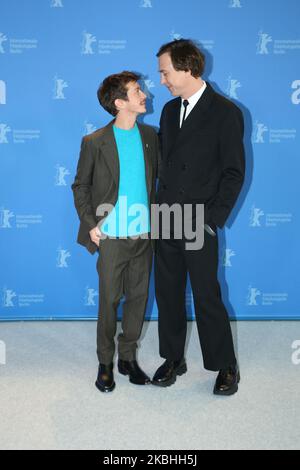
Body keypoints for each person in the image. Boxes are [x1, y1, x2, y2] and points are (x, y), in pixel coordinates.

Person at [152, 39, 245, 395]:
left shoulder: (225, 112)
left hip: (198, 217)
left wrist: (212, 219)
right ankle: (173, 357)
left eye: (165, 72)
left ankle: (226, 366)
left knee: (206, 294)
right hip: (166, 215)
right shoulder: (167, 111)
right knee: (168, 292)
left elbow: (234, 172)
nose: (162, 80)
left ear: (187, 68)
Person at [72, 71, 158, 392]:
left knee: (138, 299)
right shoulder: (94, 142)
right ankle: (105, 362)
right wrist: (90, 224)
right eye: (137, 91)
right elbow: (81, 186)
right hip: (110, 239)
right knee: (109, 301)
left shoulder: (151, 137)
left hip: (144, 235)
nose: (144, 95)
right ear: (120, 102)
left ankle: (127, 358)